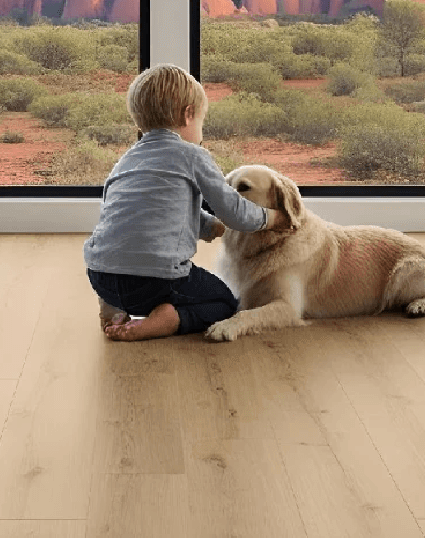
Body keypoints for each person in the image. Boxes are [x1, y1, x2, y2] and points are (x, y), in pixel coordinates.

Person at [83, 63, 289, 341]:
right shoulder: (192, 155)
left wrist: (206, 226)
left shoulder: (126, 160)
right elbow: (235, 213)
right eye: (202, 122)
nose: (201, 132)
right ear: (188, 115)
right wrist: (272, 218)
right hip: (155, 282)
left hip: (101, 274)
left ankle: (115, 307)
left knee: (122, 269)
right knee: (225, 302)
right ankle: (168, 320)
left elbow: (144, 211)